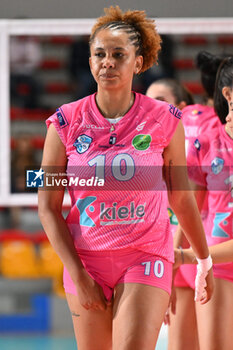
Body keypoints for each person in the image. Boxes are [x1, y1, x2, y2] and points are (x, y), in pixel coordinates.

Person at [38, 6, 214, 350]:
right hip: (86, 260)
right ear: (89, 62)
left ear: (139, 61)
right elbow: (47, 207)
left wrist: (204, 259)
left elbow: (181, 196)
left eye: (119, 54)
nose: (108, 62)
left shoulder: (166, 119)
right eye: (99, 54)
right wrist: (77, 274)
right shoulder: (63, 123)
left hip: (145, 255)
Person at [173, 56, 233, 350]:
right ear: (228, 94)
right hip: (216, 264)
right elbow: (189, 207)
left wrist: (184, 257)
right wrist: (173, 257)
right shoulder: (206, 143)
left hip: (207, 257)